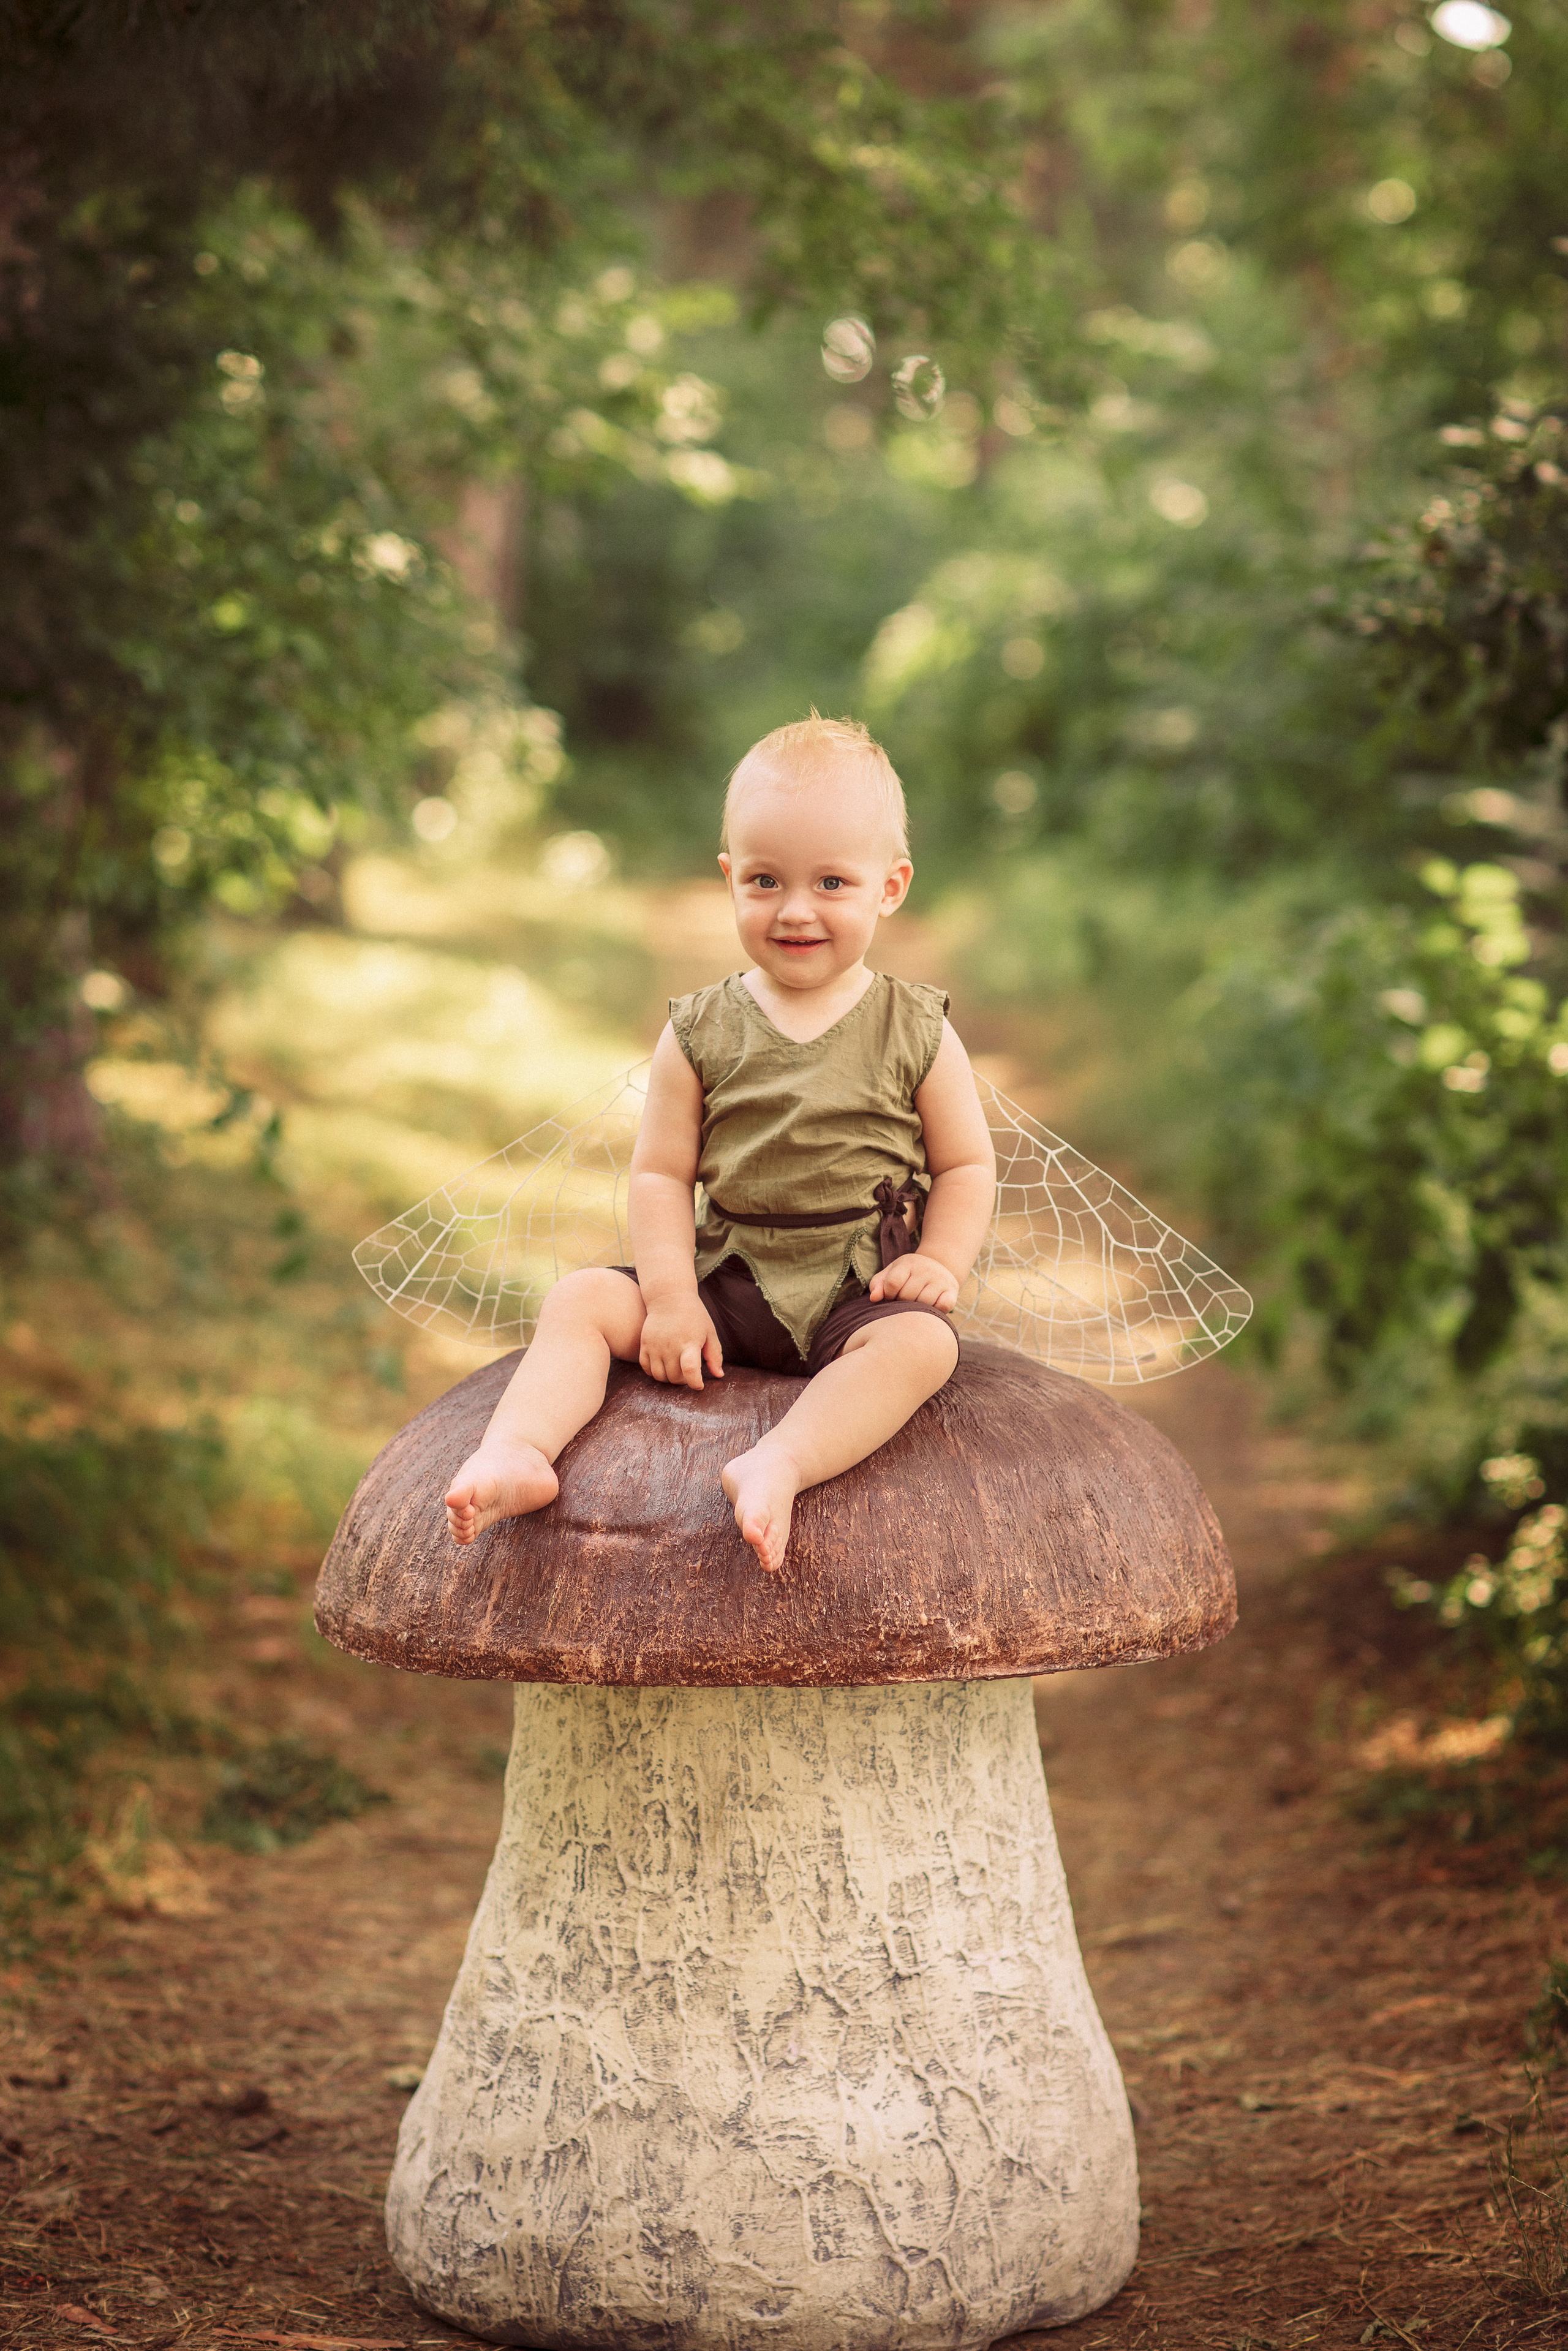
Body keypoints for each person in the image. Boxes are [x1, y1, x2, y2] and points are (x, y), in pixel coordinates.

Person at [443, 713, 998, 1574]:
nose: (796, 909)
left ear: (890, 888)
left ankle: (782, 1460)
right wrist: (671, 1298)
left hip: (858, 1285)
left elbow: (966, 1164)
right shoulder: (701, 1029)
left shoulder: (916, 1027)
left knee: (923, 1345)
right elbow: (662, 1175)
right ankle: (518, 1449)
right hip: (727, 1285)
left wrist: (941, 1263)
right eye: (766, 880)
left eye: (833, 883)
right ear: (730, 877)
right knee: (583, 1301)